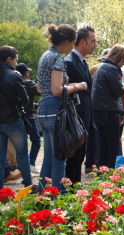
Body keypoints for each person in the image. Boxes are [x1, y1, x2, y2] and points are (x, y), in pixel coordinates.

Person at [36, 24, 88, 192]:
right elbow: (57, 90)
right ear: (66, 41)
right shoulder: (57, 58)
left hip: (43, 109)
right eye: (72, 43)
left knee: (49, 159)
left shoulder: (45, 55)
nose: (73, 47)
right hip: (55, 110)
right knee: (60, 158)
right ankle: (59, 197)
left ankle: (42, 195)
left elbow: (40, 87)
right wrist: (78, 86)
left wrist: (69, 85)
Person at [64, 26, 97, 185]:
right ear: (83, 42)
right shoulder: (69, 62)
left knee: (79, 158)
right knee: (73, 159)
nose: (95, 45)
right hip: (75, 118)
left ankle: (76, 191)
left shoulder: (81, 62)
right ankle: (70, 193)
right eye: (93, 41)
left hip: (84, 119)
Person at [0, 45, 33, 190]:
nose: (16, 64)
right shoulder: (14, 75)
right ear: (9, 59)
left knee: (1, 158)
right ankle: (28, 185)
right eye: (15, 61)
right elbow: (25, 99)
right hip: (13, 118)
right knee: (22, 156)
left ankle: (0, 188)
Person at [92, 44, 124, 168]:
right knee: (113, 145)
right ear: (120, 57)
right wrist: (123, 82)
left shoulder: (102, 67)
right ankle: (112, 172)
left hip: (99, 109)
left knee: (103, 145)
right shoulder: (112, 68)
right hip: (108, 110)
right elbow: (119, 91)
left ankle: (102, 170)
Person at [15, 63, 41, 174]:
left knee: (20, 142)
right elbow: (39, 90)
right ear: (25, 73)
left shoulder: (13, 81)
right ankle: (30, 163)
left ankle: (19, 165)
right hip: (28, 116)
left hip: (15, 116)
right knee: (36, 140)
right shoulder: (27, 82)